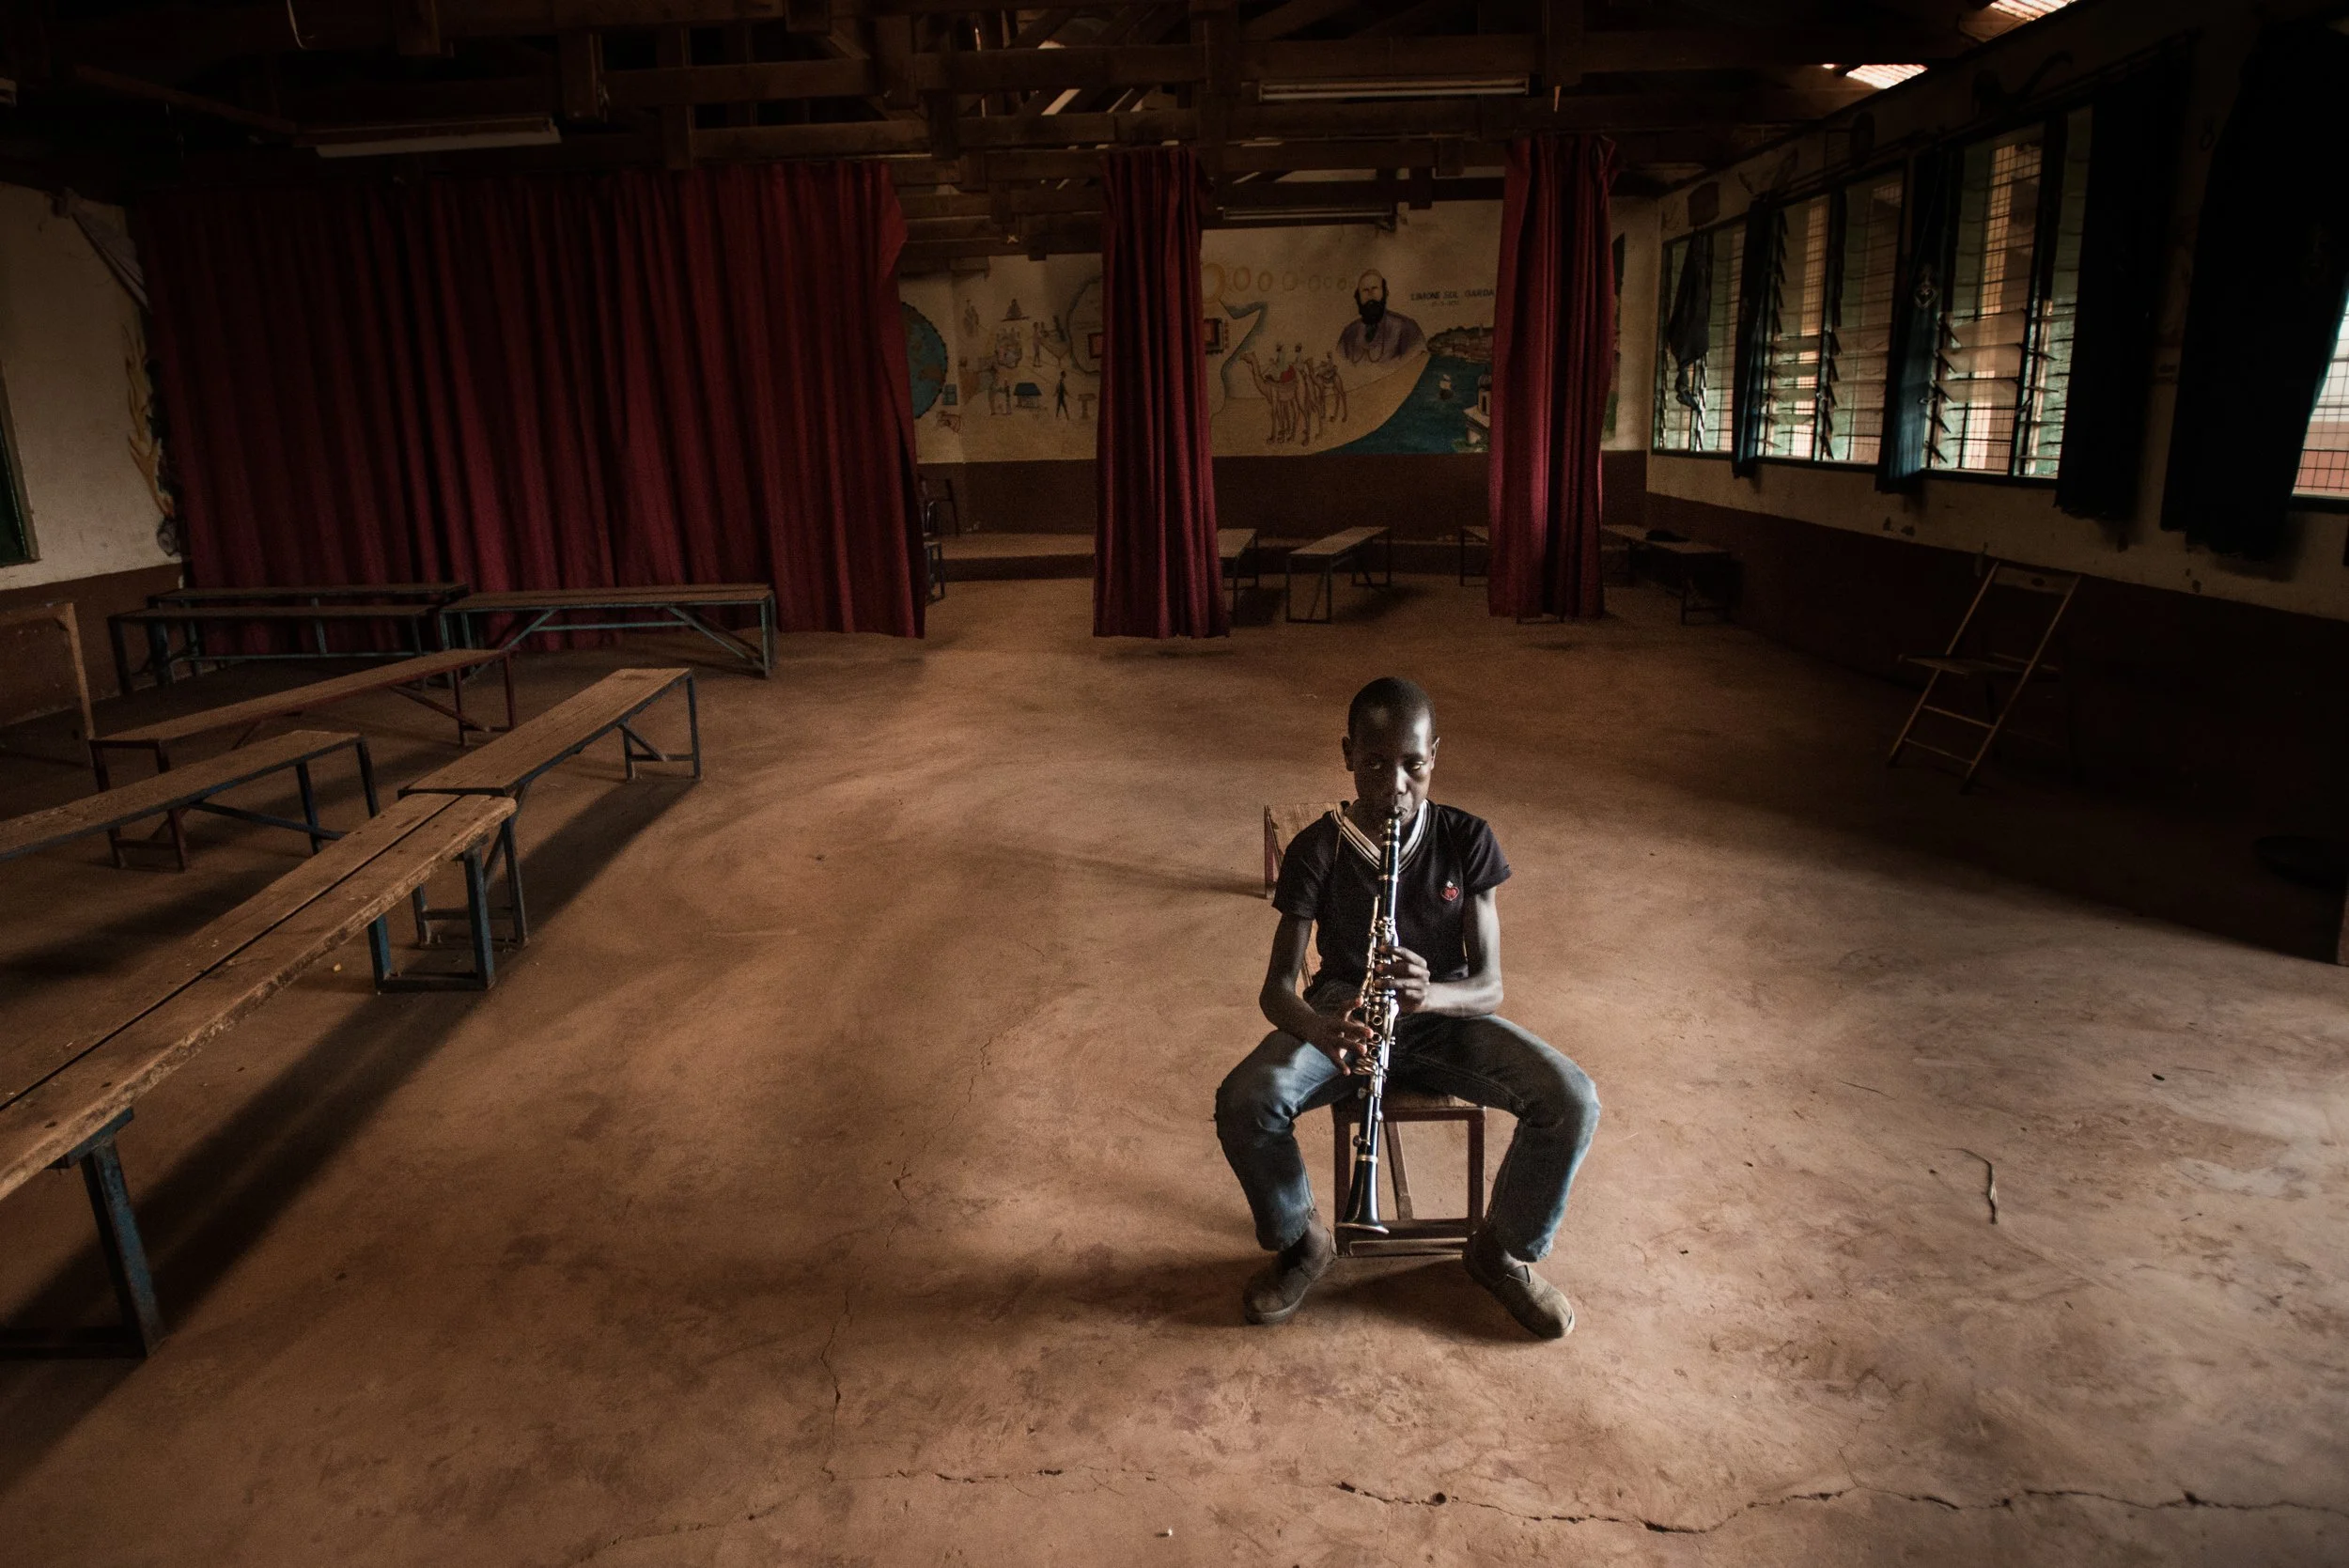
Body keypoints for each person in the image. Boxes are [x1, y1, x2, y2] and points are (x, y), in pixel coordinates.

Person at [1215, 677, 1600, 1338]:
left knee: (1572, 1099)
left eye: (1413, 764)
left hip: (1446, 1014)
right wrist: (1317, 1026)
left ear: (1434, 756)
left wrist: (1434, 994)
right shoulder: (1318, 847)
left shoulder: (1466, 838)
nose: (1395, 782)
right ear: (1347, 754)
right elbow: (1276, 989)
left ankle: (1499, 1249)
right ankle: (1301, 1241)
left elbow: (1490, 986)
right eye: (1374, 763)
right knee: (1246, 1098)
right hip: (1345, 1012)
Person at [1335, 270, 1425, 365]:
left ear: (1385, 292)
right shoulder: (1349, 333)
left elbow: (1419, 367)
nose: (1370, 294)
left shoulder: (1406, 327)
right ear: (1358, 297)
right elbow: (1339, 365)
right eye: (1365, 290)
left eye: (1375, 288)